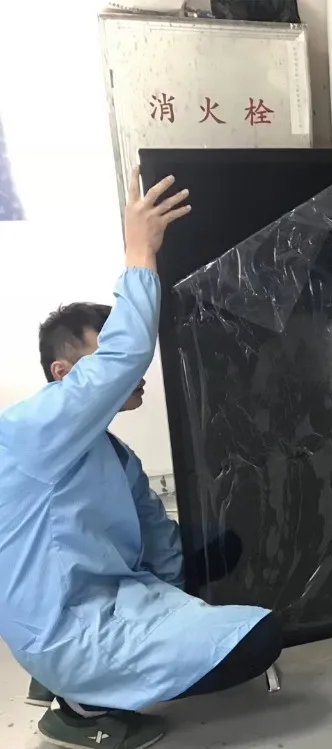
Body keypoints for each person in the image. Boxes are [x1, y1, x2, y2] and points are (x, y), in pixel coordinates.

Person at [0, 169, 280, 749]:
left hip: (112, 600)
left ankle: (88, 678)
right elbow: (125, 356)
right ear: (63, 374)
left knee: (219, 547)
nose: (135, 371)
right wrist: (139, 250)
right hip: (66, 627)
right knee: (260, 641)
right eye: (101, 356)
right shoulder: (28, 431)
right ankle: (81, 704)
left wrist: (179, 607)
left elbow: (158, 542)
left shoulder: (113, 454)